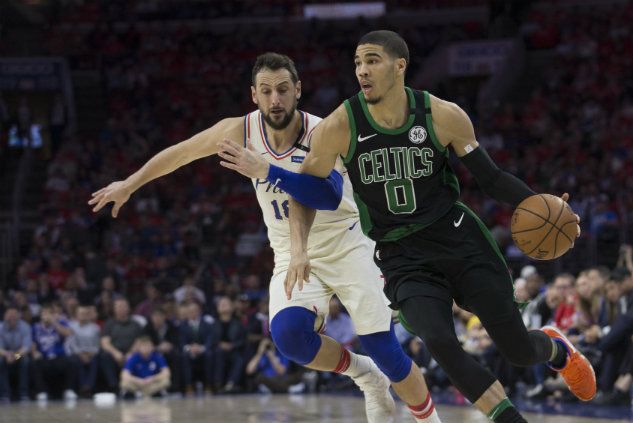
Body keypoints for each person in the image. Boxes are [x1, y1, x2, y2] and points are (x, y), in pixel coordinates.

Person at [89, 52, 440, 422]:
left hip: (346, 240)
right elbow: (182, 153)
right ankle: (364, 374)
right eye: (267, 91)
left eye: (284, 90)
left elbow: (327, 195)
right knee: (289, 337)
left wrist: (267, 170)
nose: (276, 99)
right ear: (254, 95)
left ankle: (429, 418)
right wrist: (130, 184)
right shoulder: (239, 131)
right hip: (290, 249)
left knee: (384, 347)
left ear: (298, 91)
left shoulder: (323, 130)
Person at [281, 31, 595, 423]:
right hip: (402, 255)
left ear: (400, 66)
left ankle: (555, 349)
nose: (362, 70)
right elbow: (303, 192)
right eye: (358, 62)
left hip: (457, 237)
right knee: (440, 340)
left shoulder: (441, 114)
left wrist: (541, 204)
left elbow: (491, 178)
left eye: (372, 60)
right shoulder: (340, 125)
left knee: (517, 350)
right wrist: (298, 250)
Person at [67, 305, 101, 397]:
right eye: (81, 314)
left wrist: (90, 354)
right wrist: (80, 354)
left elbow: (97, 345)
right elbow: (72, 344)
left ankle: (89, 386)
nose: (83, 316)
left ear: (89, 315)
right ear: (76, 315)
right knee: (76, 360)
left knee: (95, 360)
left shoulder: (95, 328)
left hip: (92, 353)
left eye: (85, 314)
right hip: (77, 353)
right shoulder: (71, 326)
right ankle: (82, 387)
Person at [0, 306, 32, 402]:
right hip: (5, 355)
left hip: (19, 354)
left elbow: (26, 347)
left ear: (18, 316)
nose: (12, 318)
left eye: (14, 315)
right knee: (0, 361)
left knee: (25, 360)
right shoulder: (0, 327)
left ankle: (23, 394)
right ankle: (5, 394)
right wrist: (7, 355)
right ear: (5, 316)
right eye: (10, 315)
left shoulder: (25, 326)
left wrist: (15, 356)